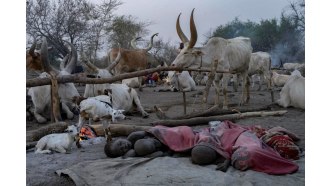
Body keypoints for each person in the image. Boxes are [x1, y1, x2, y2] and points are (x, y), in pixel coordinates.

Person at [104, 121, 299, 174]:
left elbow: (171, 134)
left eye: (120, 144)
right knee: (200, 152)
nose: (124, 147)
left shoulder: (140, 136)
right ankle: (217, 152)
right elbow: (157, 151)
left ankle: (217, 151)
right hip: (194, 143)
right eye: (120, 150)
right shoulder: (135, 149)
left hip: (193, 136)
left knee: (202, 149)